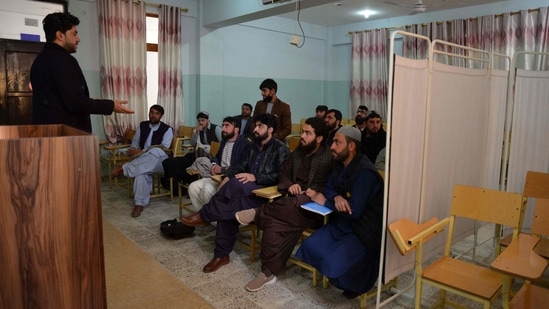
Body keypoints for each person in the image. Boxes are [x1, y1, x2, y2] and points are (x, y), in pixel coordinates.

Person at [180, 114, 290, 273]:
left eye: (260, 126)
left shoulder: (281, 149)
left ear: (270, 130)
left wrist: (255, 176)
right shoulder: (253, 146)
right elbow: (239, 166)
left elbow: (281, 176)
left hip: (262, 195)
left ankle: (205, 217)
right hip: (243, 194)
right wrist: (228, 177)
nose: (255, 129)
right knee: (230, 205)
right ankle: (221, 255)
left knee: (235, 186)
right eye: (256, 126)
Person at [234, 117, 333, 292]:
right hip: (291, 207)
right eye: (303, 131)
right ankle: (267, 272)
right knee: (276, 223)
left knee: (294, 203)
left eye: (307, 133)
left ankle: (258, 213)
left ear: (319, 138)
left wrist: (316, 192)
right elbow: (283, 173)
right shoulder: (298, 152)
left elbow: (334, 185)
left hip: (314, 208)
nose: (302, 135)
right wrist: (290, 185)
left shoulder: (329, 156)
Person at [295, 126, 384, 299]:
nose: (332, 147)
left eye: (337, 142)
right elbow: (329, 187)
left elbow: (354, 211)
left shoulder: (366, 173)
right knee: (309, 246)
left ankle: (354, 282)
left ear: (351, 146)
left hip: (361, 230)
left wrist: (326, 201)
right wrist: (335, 196)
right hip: (342, 223)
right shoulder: (339, 164)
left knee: (332, 264)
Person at [30, 12, 132, 133]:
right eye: (74, 34)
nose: (78, 39)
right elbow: (75, 103)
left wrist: (88, 101)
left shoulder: (39, 60)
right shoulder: (63, 60)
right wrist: (111, 105)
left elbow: (59, 99)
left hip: (47, 133)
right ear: (60, 35)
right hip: (67, 136)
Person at [110, 105, 173, 217]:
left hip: (161, 162)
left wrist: (143, 151)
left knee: (155, 152)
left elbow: (164, 148)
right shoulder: (142, 125)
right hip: (143, 161)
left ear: (161, 116)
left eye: (157, 113)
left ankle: (124, 169)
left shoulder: (167, 129)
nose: (153, 115)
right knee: (141, 172)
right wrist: (134, 149)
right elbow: (135, 141)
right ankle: (139, 204)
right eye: (151, 112)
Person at [188, 116, 250, 214]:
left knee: (207, 190)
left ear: (236, 129)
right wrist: (214, 165)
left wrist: (222, 169)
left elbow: (241, 167)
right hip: (217, 176)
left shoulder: (245, 145)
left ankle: (215, 220)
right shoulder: (224, 141)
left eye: (227, 126)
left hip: (231, 178)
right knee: (193, 187)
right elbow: (217, 157)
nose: (223, 129)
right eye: (223, 126)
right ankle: (204, 220)